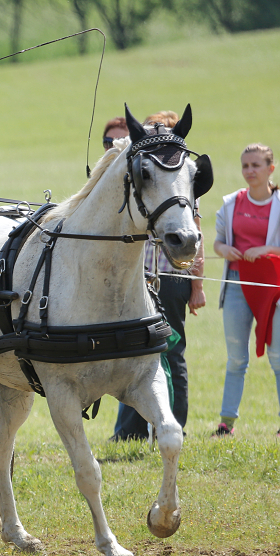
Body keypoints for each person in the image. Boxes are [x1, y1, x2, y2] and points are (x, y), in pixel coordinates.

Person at [110, 111, 207, 441]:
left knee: (171, 350)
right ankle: (130, 431)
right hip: (135, 276)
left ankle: (173, 427)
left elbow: (195, 233)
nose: (155, 132)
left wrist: (197, 285)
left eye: (158, 127)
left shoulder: (176, 178)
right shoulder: (141, 176)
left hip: (169, 276)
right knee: (132, 355)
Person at [213, 143, 280, 437]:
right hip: (237, 287)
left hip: (273, 291)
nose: (249, 171)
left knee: (278, 357)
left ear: (271, 169)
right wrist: (223, 248)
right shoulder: (231, 204)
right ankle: (226, 423)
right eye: (245, 166)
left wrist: (267, 250)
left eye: (256, 165)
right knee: (236, 358)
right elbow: (216, 242)